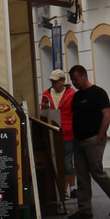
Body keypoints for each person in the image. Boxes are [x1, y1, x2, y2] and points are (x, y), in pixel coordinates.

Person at [67, 64, 110, 219]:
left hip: (93, 139)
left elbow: (107, 115)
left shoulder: (98, 93)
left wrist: (100, 136)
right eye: (72, 80)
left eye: (76, 79)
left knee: (96, 172)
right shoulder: (77, 96)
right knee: (81, 175)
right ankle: (85, 209)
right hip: (79, 140)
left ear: (84, 76)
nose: (74, 83)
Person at [40, 67, 76, 201]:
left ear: (62, 81)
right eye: (52, 81)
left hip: (67, 132)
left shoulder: (71, 94)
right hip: (52, 132)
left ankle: (65, 190)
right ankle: (64, 190)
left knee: (66, 162)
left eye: (55, 81)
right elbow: (43, 111)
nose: (53, 84)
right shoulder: (46, 94)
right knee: (58, 162)